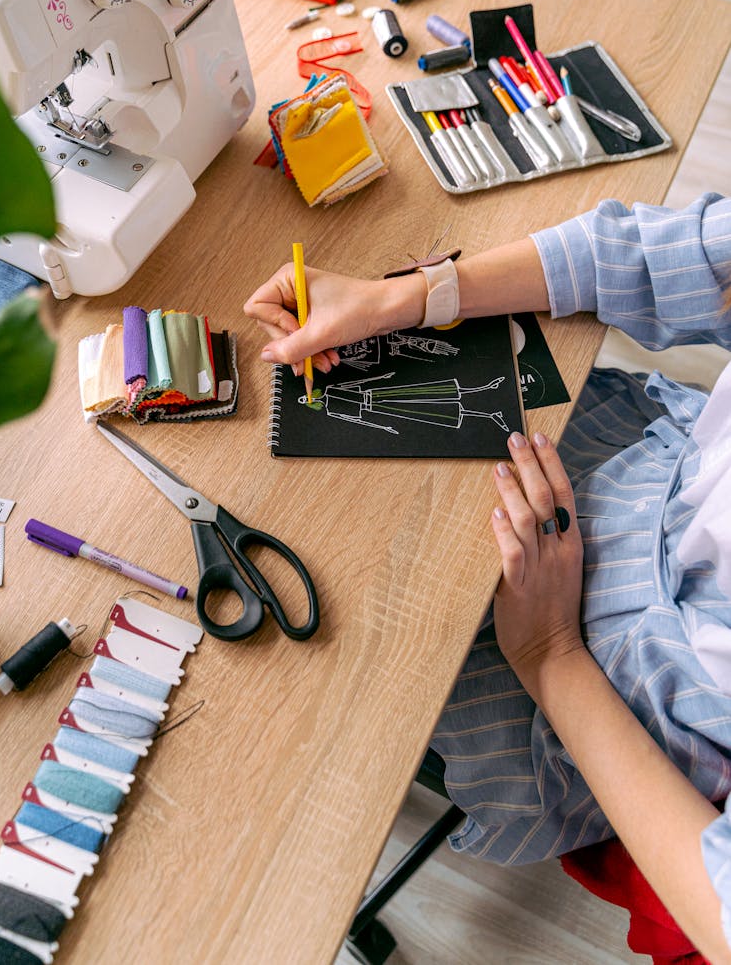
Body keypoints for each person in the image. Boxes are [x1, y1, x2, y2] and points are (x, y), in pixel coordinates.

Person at [244, 192, 731, 963]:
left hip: (610, 688)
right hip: (642, 457)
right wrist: (412, 296)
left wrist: (551, 650)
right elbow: (670, 251)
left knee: (301, 668)